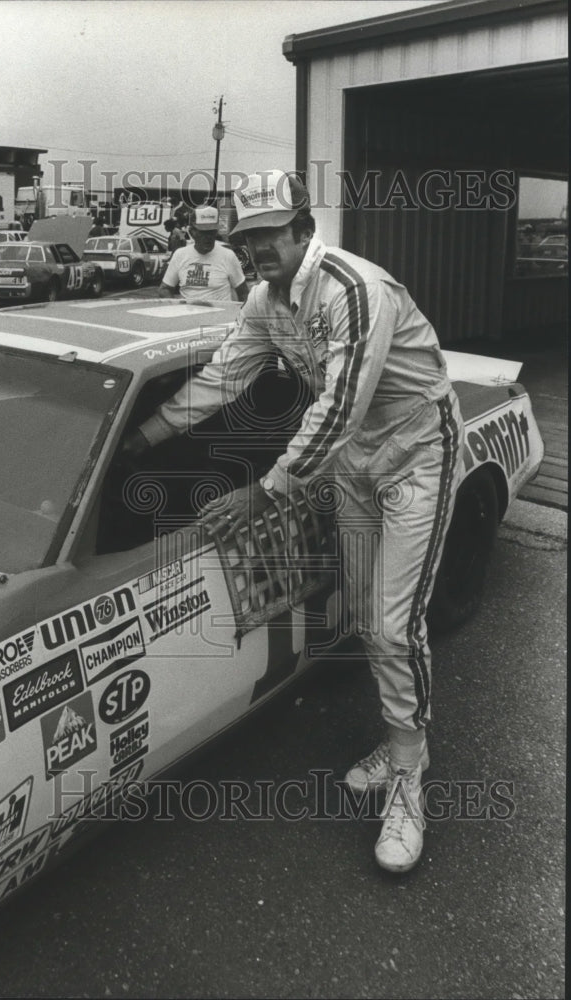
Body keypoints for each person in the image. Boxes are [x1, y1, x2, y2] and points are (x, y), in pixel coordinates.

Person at [124, 170, 464, 874]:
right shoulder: (261, 299)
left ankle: (409, 780)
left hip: (416, 450)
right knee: (369, 615)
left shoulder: (352, 288)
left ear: (303, 229)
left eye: (269, 234)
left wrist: (266, 491)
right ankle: (407, 743)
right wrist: (139, 438)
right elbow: (224, 376)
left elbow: (337, 407)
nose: (257, 250)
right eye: (247, 238)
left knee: (395, 625)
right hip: (353, 458)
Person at [158, 205, 248, 303]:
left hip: (220, 316)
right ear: (192, 232)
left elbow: (244, 293)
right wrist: (178, 308)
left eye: (211, 232)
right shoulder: (180, 255)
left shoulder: (228, 256)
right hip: (189, 315)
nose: (208, 237)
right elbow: (164, 289)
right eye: (203, 232)